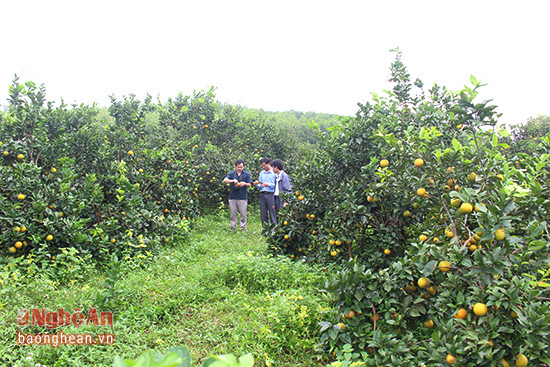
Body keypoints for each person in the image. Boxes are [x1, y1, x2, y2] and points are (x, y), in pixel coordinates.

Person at [223, 159, 252, 232]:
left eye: (241, 167)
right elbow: (225, 180)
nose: (240, 169)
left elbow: (249, 185)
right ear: (236, 166)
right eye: (238, 167)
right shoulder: (232, 174)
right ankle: (233, 227)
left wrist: (244, 183)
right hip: (233, 197)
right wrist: (233, 180)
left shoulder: (246, 174)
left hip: (242, 197)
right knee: (233, 214)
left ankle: (243, 228)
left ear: (243, 167)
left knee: (243, 214)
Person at [255, 157, 277, 225]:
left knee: (272, 212)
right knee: (263, 212)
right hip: (263, 194)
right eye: (262, 166)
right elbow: (260, 185)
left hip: (271, 194)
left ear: (269, 164)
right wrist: (257, 185)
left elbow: (276, 185)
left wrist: (268, 185)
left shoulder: (274, 172)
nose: (263, 167)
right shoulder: (262, 173)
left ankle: (274, 228)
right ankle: (265, 229)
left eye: (264, 165)